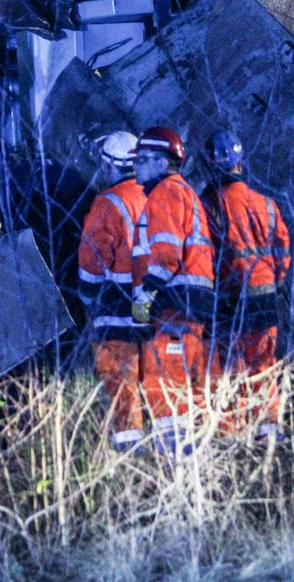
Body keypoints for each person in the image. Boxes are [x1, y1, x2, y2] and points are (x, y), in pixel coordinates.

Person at [202, 129, 292, 440]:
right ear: (241, 163)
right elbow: (283, 250)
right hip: (265, 296)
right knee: (263, 364)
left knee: (230, 366)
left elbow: (205, 254)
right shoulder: (265, 203)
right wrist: (273, 280)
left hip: (229, 296)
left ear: (211, 165)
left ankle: (233, 430)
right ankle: (269, 428)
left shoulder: (210, 205)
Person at [130, 126, 214, 452]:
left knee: (162, 378)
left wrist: (147, 291)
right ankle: (192, 460)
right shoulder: (182, 192)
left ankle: (174, 459)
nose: (137, 165)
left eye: (143, 159)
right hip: (189, 303)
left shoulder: (166, 193)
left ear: (164, 163)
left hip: (177, 302)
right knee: (186, 384)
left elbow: (166, 251)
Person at [78, 131, 148, 452]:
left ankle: (128, 455)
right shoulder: (155, 195)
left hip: (115, 309)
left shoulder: (108, 204)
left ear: (109, 165)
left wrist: (88, 303)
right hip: (152, 306)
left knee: (121, 387)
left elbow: (92, 264)